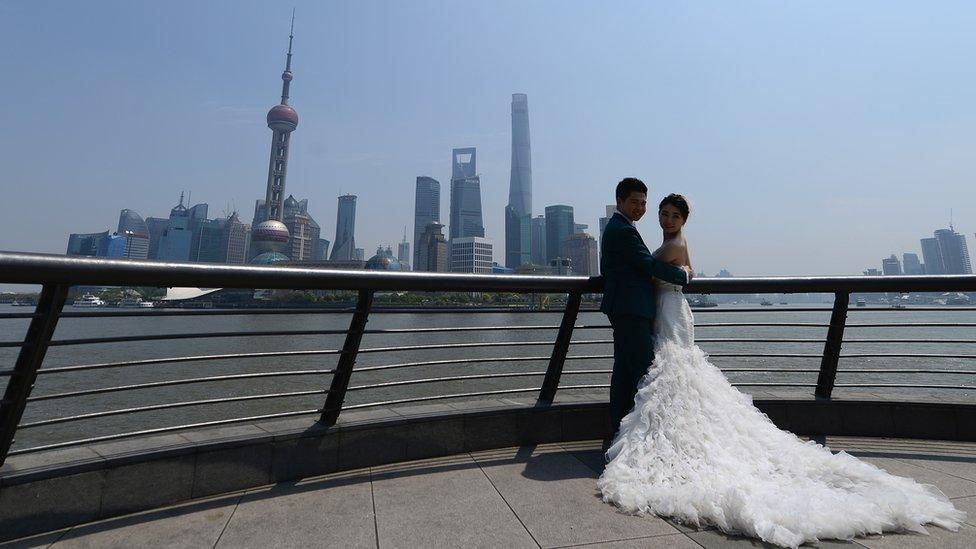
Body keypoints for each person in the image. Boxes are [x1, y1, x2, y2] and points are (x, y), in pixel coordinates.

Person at [597, 193, 965, 548]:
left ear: (684, 219)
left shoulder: (671, 243)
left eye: (672, 214)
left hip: (668, 312)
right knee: (663, 376)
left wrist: (683, 276)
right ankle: (661, 432)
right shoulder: (642, 237)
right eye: (661, 212)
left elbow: (656, 269)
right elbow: (650, 269)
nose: (664, 218)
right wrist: (680, 274)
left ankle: (665, 437)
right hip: (659, 313)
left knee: (668, 374)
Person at [600, 178, 693, 446]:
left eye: (643, 203)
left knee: (625, 374)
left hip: (628, 307)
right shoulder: (623, 230)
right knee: (647, 373)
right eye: (634, 202)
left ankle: (621, 432)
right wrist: (682, 275)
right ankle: (648, 437)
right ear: (619, 201)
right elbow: (647, 264)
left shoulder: (621, 227)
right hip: (631, 309)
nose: (640, 208)